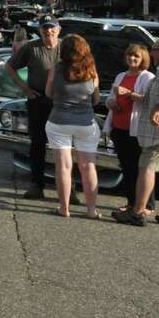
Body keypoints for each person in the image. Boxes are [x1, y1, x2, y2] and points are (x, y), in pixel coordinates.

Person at [44, 34, 102, 218]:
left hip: (59, 121)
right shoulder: (91, 70)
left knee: (63, 166)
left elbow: (48, 93)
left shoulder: (56, 69)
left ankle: (64, 208)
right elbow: (96, 99)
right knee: (88, 167)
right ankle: (91, 210)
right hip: (86, 123)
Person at [5, 17, 61, 200]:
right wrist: (25, 89)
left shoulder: (66, 48)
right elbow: (10, 66)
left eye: (52, 29)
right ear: (40, 30)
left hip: (61, 102)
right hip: (38, 100)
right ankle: (37, 184)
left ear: (58, 30)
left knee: (65, 145)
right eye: (45, 29)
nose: (49, 32)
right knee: (38, 143)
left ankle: (68, 188)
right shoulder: (31, 47)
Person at [115, 39, 159, 226]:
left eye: (154, 50)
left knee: (146, 168)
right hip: (155, 131)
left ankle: (137, 213)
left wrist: (158, 107)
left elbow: (158, 100)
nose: (151, 53)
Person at [104, 44, 155, 217]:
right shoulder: (120, 75)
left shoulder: (148, 77)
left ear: (143, 59)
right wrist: (111, 103)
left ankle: (147, 204)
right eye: (129, 55)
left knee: (141, 168)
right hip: (119, 128)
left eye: (136, 56)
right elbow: (110, 98)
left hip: (137, 130)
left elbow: (149, 101)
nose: (132, 59)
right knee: (127, 167)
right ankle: (132, 202)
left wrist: (128, 94)